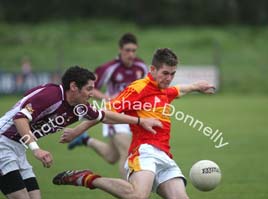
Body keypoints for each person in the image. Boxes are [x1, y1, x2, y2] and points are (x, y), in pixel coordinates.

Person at [52, 48, 215, 199]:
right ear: (152, 70)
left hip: (165, 155)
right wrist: (77, 131)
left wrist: (196, 86)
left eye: (172, 74)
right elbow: (104, 112)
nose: (169, 78)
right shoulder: (138, 88)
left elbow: (180, 90)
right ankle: (86, 178)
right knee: (137, 196)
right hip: (144, 151)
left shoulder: (164, 89)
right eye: (165, 73)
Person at [0, 66, 161, 199]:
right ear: (74, 87)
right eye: (89, 89)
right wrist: (36, 149)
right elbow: (20, 119)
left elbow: (104, 116)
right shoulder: (51, 95)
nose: (92, 93)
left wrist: (140, 121)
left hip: (18, 149)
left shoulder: (79, 106)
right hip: (3, 143)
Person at [68, 33, 148, 178]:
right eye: (128, 50)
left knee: (112, 157)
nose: (131, 54)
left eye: (133, 50)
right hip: (114, 115)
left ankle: (85, 139)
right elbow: (91, 88)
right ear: (120, 50)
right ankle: (131, 190)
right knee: (128, 151)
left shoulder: (141, 66)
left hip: (134, 115)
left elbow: (146, 87)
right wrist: (106, 97)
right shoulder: (109, 68)